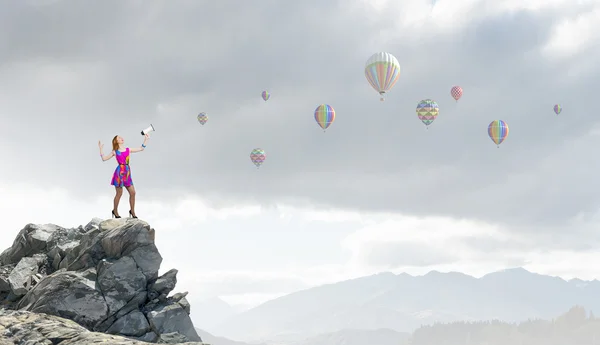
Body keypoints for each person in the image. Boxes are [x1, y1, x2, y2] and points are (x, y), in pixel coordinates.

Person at [98, 134, 149, 219]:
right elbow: (104, 159)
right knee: (119, 193)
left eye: (121, 137)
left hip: (127, 173)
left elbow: (141, 148)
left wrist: (146, 139)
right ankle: (115, 211)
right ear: (116, 141)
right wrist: (101, 149)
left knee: (133, 193)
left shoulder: (128, 150)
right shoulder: (115, 151)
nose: (122, 138)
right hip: (119, 173)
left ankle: (132, 211)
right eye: (119, 138)